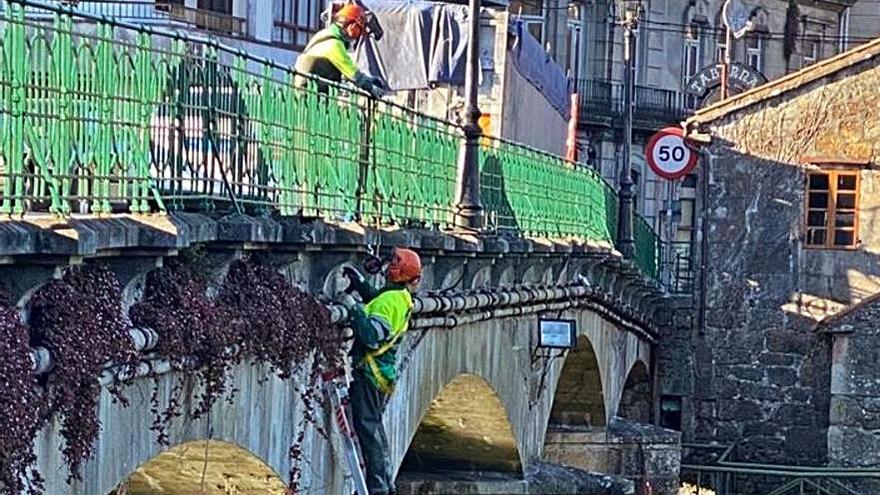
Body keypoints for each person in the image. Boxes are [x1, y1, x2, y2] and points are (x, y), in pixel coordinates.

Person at [338, 247, 422, 495]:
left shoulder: (393, 301)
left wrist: (352, 308)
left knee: (367, 428)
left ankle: (377, 487)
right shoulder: (397, 296)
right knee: (374, 427)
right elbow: (378, 300)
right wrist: (361, 285)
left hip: (372, 373)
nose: (386, 265)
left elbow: (372, 336)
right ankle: (385, 482)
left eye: (392, 262)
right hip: (381, 374)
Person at [294, 3, 385, 97]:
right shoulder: (334, 44)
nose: (359, 35)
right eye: (360, 29)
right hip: (310, 96)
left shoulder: (323, 35)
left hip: (308, 91)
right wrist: (372, 88)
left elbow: (346, 72)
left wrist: (369, 80)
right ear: (352, 26)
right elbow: (354, 75)